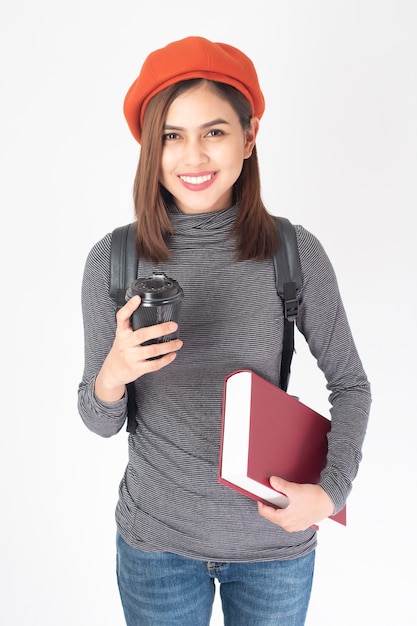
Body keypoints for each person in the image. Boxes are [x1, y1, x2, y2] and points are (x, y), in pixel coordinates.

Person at [78, 36, 371, 626]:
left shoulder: (295, 253)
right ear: (149, 146)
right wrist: (112, 376)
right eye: (172, 135)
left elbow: (352, 386)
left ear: (249, 137)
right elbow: (99, 420)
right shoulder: (115, 260)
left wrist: (330, 492)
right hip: (156, 547)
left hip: (274, 550)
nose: (194, 157)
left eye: (214, 132)